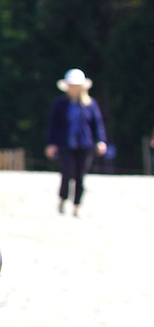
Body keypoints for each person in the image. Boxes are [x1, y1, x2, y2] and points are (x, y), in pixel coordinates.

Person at [45, 68, 107, 217]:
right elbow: (53, 125)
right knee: (67, 173)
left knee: (80, 176)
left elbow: (97, 124)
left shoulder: (90, 104)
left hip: (84, 145)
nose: (74, 88)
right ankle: (62, 199)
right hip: (65, 144)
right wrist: (51, 143)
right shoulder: (60, 104)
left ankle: (77, 205)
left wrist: (101, 141)